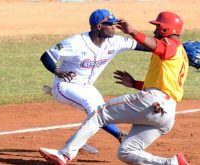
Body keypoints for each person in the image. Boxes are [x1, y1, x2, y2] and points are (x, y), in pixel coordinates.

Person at [39, 11, 190, 165]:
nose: (154, 31)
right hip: (166, 113)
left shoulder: (170, 47)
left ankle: (64, 155)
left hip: (153, 101)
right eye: (110, 24)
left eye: (158, 27)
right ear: (99, 26)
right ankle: (173, 163)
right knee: (126, 152)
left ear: (166, 29)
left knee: (99, 113)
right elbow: (155, 56)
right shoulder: (179, 52)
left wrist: (132, 31)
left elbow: (156, 46)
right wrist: (136, 84)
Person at [40, 9, 148, 153]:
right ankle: (119, 136)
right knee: (94, 109)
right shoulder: (75, 43)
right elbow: (46, 56)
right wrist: (58, 71)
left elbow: (144, 46)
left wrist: (169, 48)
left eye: (114, 24)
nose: (114, 27)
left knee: (103, 112)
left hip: (88, 88)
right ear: (98, 26)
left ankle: (77, 140)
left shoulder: (115, 42)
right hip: (65, 86)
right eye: (110, 24)